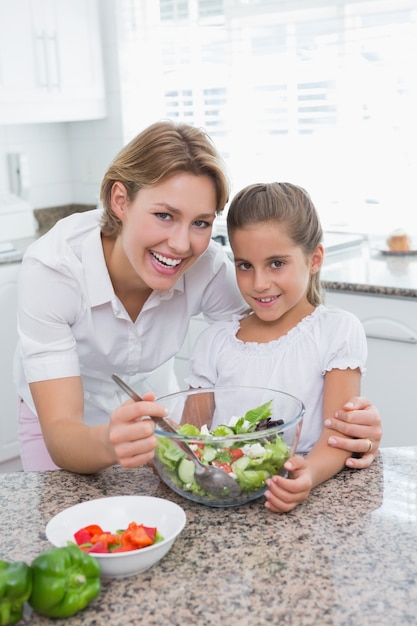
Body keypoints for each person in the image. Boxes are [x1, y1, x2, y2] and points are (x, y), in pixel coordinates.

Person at [14, 121, 381, 474]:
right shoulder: (53, 272)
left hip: (156, 426)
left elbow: (273, 349)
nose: (181, 244)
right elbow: (62, 431)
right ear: (121, 201)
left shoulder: (207, 268)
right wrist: (110, 444)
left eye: (201, 223)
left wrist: (351, 431)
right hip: (64, 429)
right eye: (163, 215)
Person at [185, 181, 378, 513]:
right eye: (245, 265)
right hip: (226, 503)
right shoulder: (214, 341)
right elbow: (191, 440)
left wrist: (306, 475)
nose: (259, 283)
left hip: (304, 500)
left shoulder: (336, 331)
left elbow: (338, 437)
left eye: (276, 263)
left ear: (314, 258)